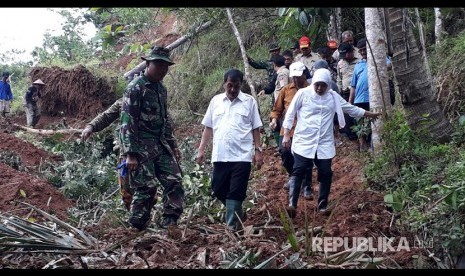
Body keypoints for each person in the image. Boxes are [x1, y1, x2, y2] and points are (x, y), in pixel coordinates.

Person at [282, 68, 380, 217]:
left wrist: (369, 114)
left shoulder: (333, 97)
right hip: (304, 140)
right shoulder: (303, 94)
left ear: (328, 84)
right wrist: (286, 135)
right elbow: (290, 114)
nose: (320, 88)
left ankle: (322, 206)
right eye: (317, 85)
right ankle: (292, 205)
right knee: (299, 170)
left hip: (324, 142)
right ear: (313, 83)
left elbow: (350, 109)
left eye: (323, 85)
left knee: (326, 172)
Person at [119, 46, 184, 231]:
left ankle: (170, 222)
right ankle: (136, 225)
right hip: (140, 145)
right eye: (158, 65)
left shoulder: (161, 90)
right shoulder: (135, 88)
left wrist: (173, 145)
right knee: (146, 187)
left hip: (160, 143)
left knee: (174, 181)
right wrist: (130, 154)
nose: (163, 69)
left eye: (165, 66)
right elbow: (127, 122)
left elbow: (165, 120)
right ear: (148, 64)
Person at [196, 69, 263, 231]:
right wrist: (201, 150)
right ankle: (237, 211)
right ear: (224, 84)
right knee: (217, 188)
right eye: (230, 85)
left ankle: (232, 230)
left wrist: (258, 151)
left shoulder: (249, 102)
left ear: (241, 85)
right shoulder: (215, 101)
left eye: (237, 86)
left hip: (242, 156)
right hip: (220, 155)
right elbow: (208, 128)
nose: (233, 90)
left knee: (236, 192)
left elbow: (256, 128)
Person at [81, 98, 160, 211]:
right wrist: (91, 126)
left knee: (150, 189)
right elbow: (106, 116)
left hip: (148, 153)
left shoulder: (153, 100)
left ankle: (145, 216)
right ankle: (133, 218)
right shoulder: (123, 102)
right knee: (127, 192)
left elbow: (163, 123)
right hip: (126, 154)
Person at [270, 61, 313, 200]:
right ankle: (294, 176)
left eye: (298, 77)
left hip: (305, 129)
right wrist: (274, 120)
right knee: (285, 153)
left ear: (304, 75)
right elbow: (277, 109)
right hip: (288, 129)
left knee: (305, 158)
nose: (295, 79)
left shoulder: (312, 89)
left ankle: (307, 186)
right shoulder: (286, 90)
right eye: (293, 77)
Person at [349, 38, 372, 152]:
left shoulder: (377, 58)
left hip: (371, 98)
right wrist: (350, 102)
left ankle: (372, 144)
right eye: (360, 51)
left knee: (372, 122)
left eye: (364, 50)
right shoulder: (358, 65)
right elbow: (353, 85)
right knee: (360, 123)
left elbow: (388, 65)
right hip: (359, 99)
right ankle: (363, 145)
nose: (362, 53)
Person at [337, 43, 360, 140]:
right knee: (347, 116)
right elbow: (339, 79)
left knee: (359, 113)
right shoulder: (340, 63)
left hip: (358, 92)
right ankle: (353, 137)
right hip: (345, 92)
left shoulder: (360, 61)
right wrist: (339, 93)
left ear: (352, 52)